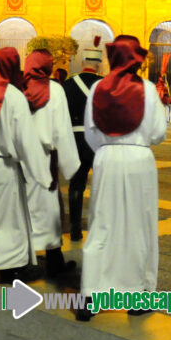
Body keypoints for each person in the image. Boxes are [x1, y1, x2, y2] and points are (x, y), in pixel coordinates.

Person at [78, 35, 166, 321]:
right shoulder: (148, 89)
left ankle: (91, 295)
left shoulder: (97, 88)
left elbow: (90, 132)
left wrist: (106, 149)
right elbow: (158, 133)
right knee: (139, 226)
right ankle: (137, 294)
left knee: (102, 223)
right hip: (140, 160)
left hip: (106, 159)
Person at [0, 47, 49, 290]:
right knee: (8, 224)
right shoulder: (13, 96)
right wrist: (42, 174)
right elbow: (26, 139)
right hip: (3, 169)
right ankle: (11, 267)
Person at [23, 49, 79, 278]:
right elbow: (62, 129)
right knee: (49, 208)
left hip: (21, 157)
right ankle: (54, 259)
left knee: (22, 207)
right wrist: (70, 163)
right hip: (45, 157)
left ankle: (24, 260)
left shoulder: (18, 88)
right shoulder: (55, 90)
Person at [63, 39, 104, 242]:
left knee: (76, 185)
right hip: (98, 140)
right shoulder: (104, 84)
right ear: (99, 65)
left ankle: (75, 229)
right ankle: (101, 228)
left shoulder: (69, 84)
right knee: (102, 186)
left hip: (76, 139)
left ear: (83, 63)